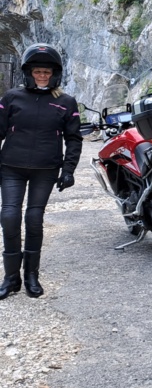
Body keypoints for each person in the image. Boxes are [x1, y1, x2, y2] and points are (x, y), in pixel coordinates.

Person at [0, 44, 82, 299]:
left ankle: (31, 276)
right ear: (29, 72)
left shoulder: (66, 102)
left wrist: (68, 170)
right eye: (37, 71)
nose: (42, 76)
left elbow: (74, 139)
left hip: (45, 170)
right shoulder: (11, 98)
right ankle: (10, 278)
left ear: (54, 73)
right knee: (10, 217)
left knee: (34, 220)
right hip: (11, 167)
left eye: (46, 71)